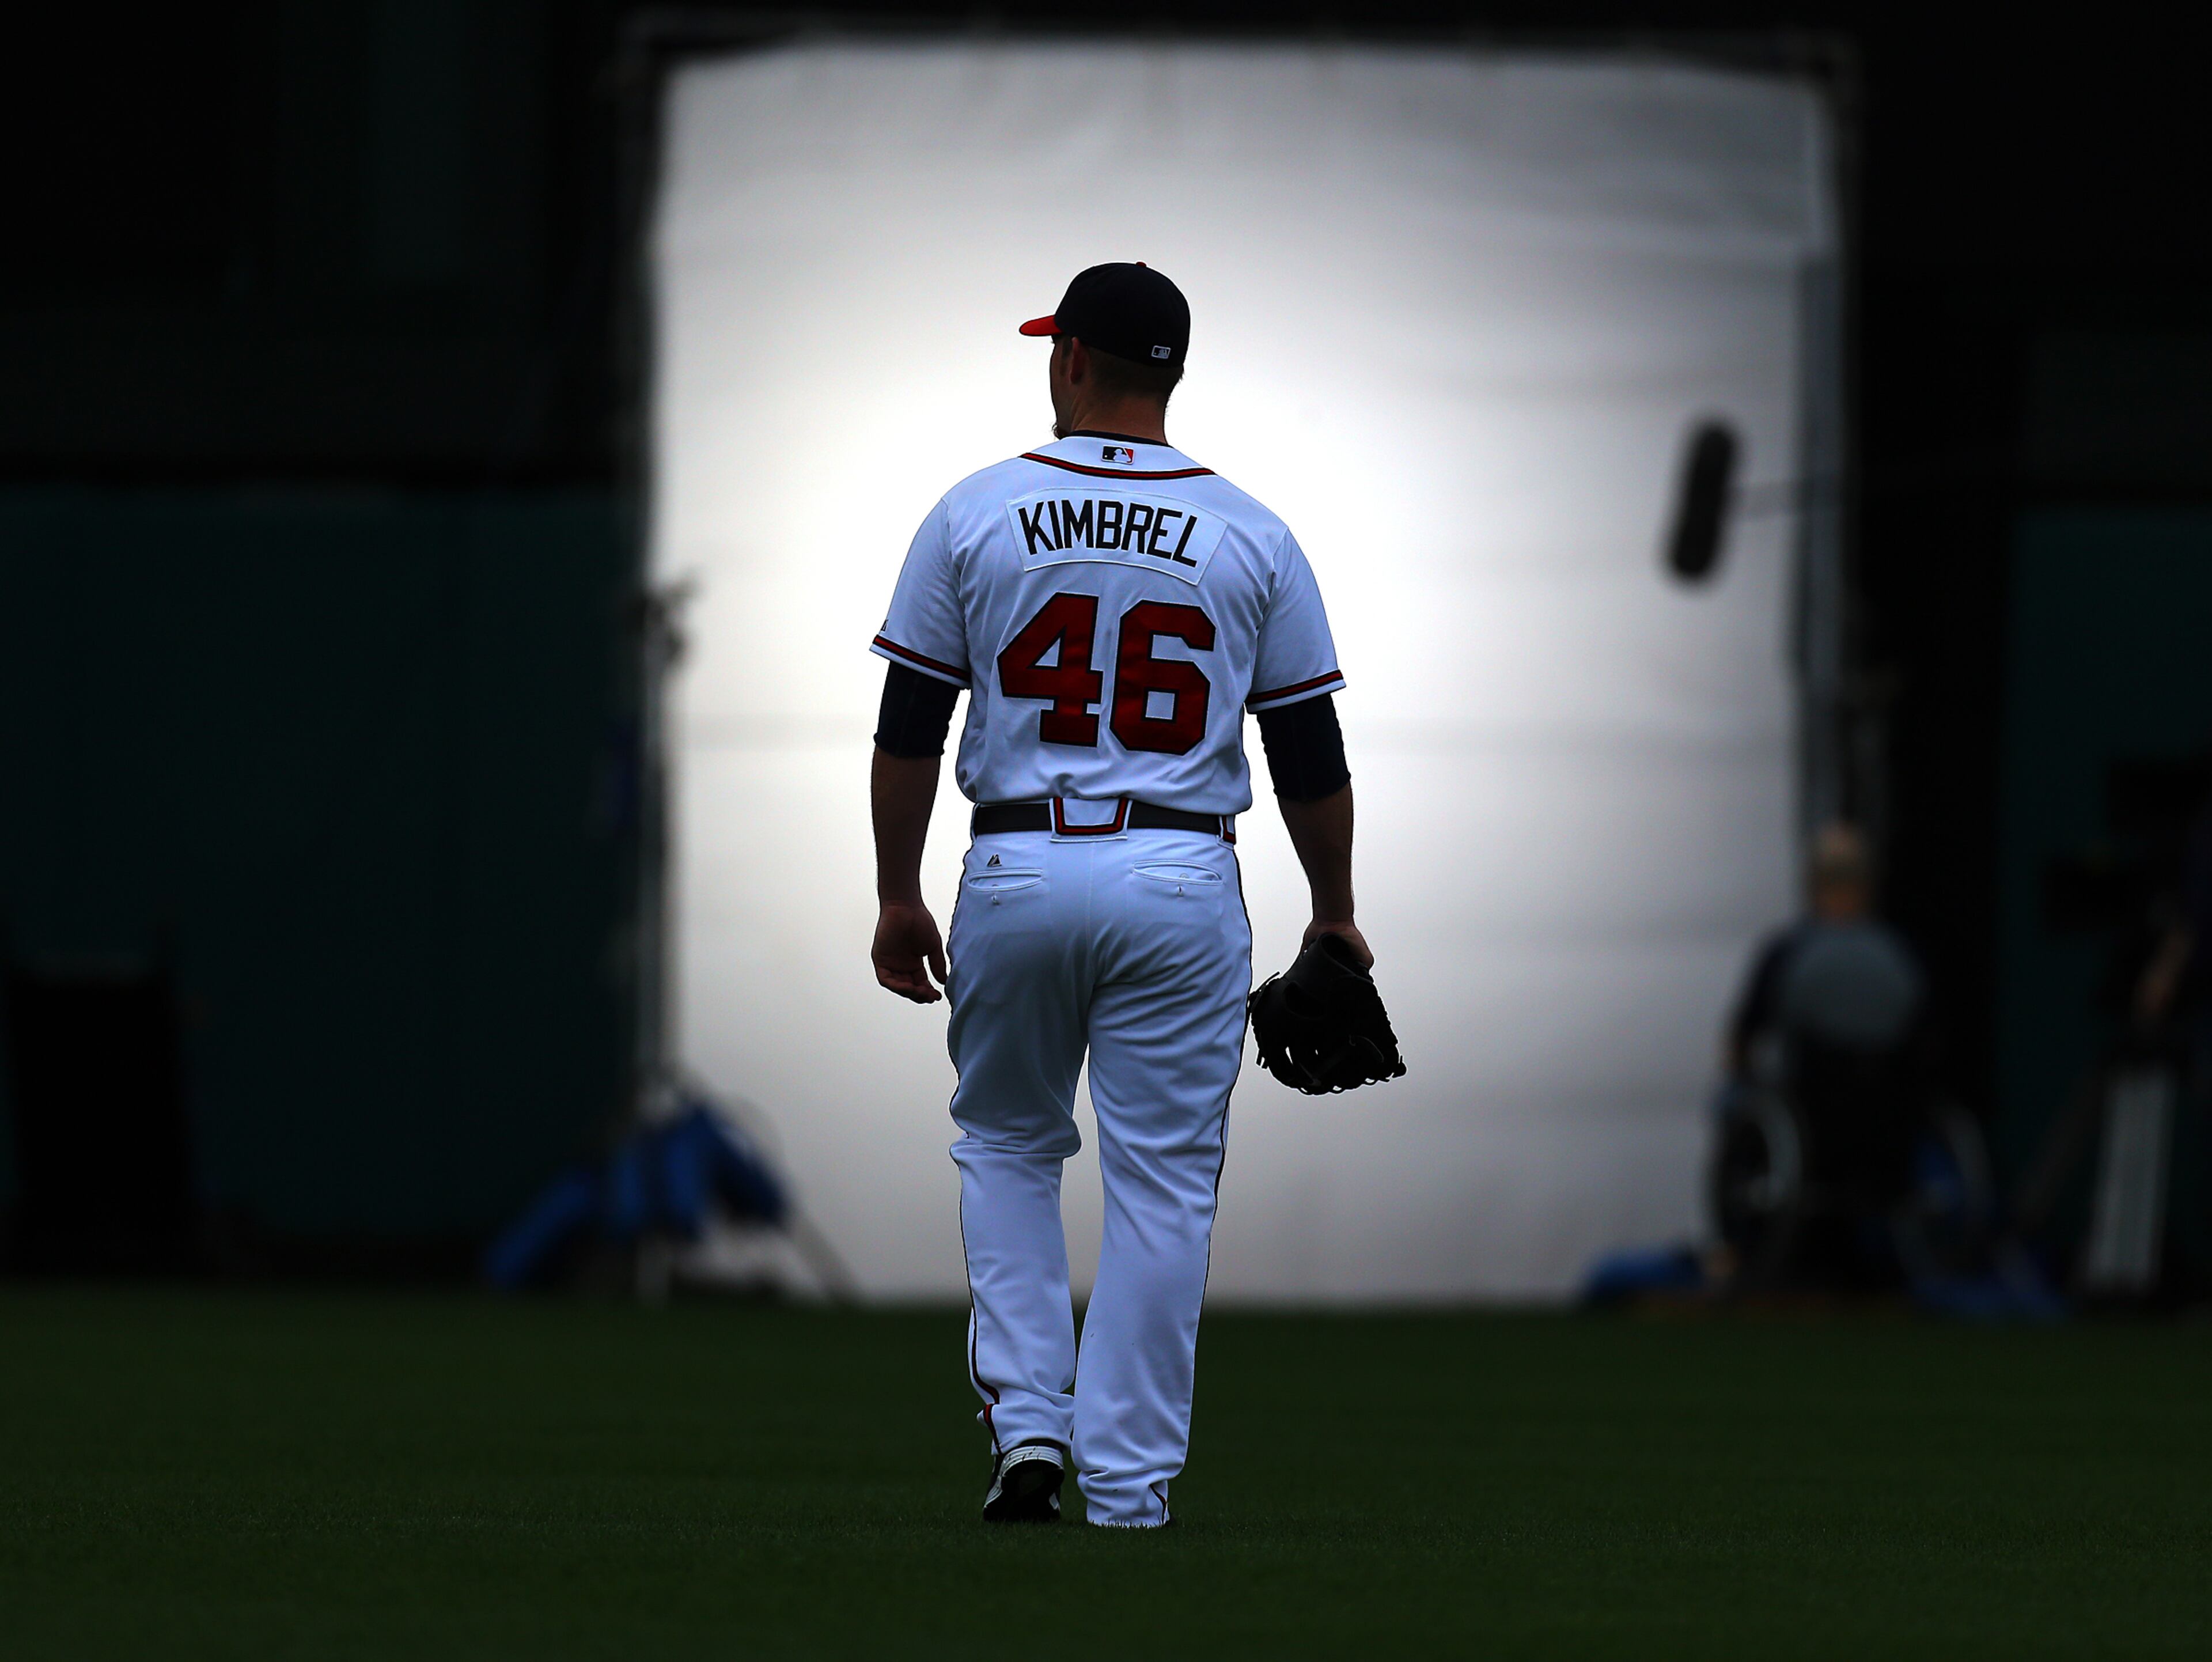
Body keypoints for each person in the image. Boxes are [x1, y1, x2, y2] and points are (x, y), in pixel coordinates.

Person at [866, 262, 1363, 1528]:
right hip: (1179, 864)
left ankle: (1030, 1426)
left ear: (1075, 359)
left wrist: (895, 889)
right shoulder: (1251, 527)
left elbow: (912, 720)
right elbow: (1308, 750)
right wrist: (1333, 907)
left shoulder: (978, 508)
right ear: (1172, 372)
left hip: (1019, 856)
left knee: (1008, 1142)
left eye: (1056, 345)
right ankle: (1129, 1488)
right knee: (1162, 1183)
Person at [1723, 824, 1928, 1225]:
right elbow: (1926, 1037)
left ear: (1813, 884)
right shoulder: (1901, 957)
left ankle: (1738, 1239)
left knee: (1735, 1100)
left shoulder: (1789, 952)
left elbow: (1744, 1037)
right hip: (1889, 1117)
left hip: (1810, 1112)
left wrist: (1741, 1078)